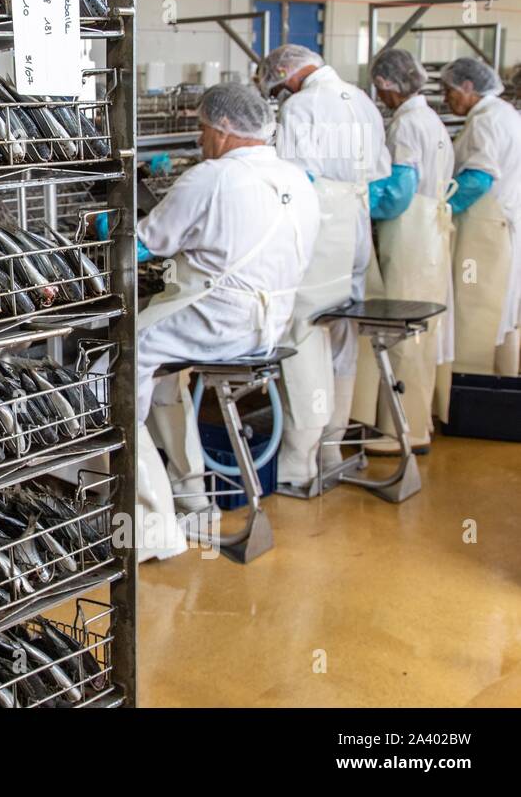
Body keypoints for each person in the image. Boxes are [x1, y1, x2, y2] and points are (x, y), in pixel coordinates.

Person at [127, 83, 320, 560]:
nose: (200, 139)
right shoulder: (297, 179)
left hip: (218, 324)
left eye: (202, 129)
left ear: (226, 128)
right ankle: (192, 494)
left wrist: (104, 233)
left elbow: (147, 244)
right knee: (165, 378)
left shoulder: (210, 179)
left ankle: (152, 523)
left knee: (123, 359)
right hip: (268, 325)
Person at [259, 44, 392, 488]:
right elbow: (380, 171)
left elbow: (292, 182)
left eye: (279, 87)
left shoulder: (301, 107)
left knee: (305, 330)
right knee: (342, 329)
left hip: (320, 228)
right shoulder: (361, 99)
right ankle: (334, 445)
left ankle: (300, 461)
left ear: (286, 74)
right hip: (356, 223)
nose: (281, 96)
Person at [354, 48, 454, 451]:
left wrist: (356, 202)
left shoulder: (407, 125)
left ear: (386, 85)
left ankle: (401, 432)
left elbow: (398, 193)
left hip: (411, 237)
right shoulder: (429, 119)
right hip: (429, 235)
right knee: (419, 334)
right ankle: (415, 423)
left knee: (400, 331)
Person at [441, 58, 521, 376]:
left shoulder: (487, 120)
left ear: (468, 87)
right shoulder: (505, 114)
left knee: (477, 311)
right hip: (502, 227)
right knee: (504, 312)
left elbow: (479, 178)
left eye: (449, 91)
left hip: (486, 232)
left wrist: (441, 209)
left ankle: (472, 390)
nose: (447, 99)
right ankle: (503, 384)